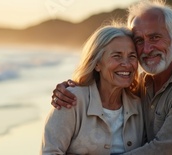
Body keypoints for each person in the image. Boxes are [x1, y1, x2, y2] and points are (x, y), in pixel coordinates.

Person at [51, 1, 172, 154]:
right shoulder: (141, 84)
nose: (147, 48)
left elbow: (162, 150)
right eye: (139, 40)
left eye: (155, 37)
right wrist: (68, 88)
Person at [42, 24, 145, 154]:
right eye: (117, 56)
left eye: (132, 56)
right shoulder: (70, 100)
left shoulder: (139, 105)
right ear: (97, 64)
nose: (126, 64)